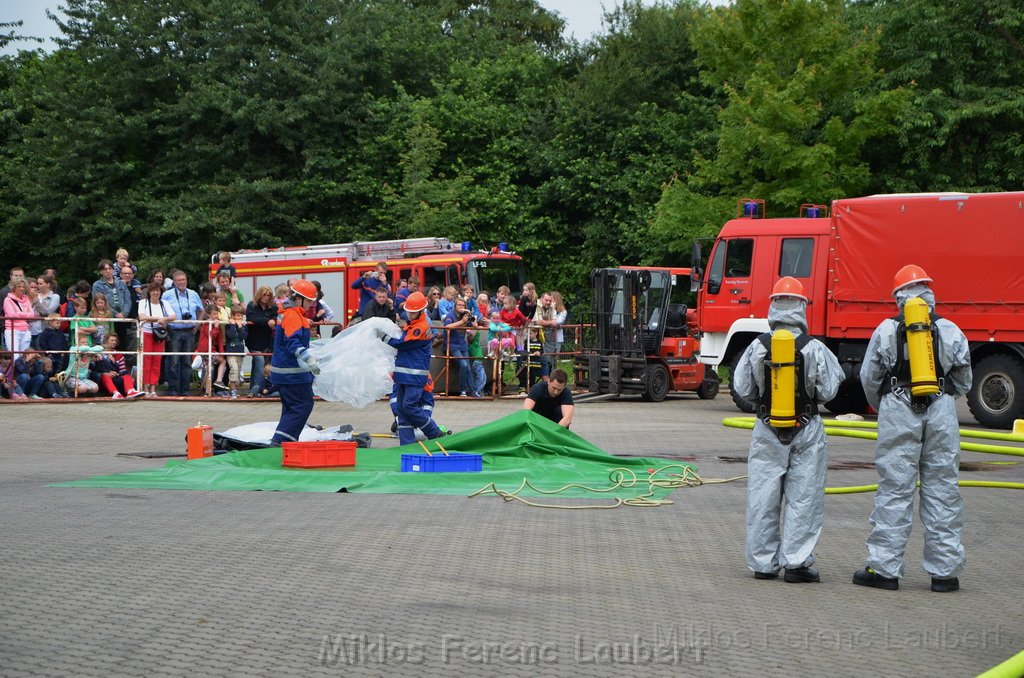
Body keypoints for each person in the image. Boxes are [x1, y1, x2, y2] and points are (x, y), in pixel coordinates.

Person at [854, 265, 972, 593]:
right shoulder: (949, 329)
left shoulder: (886, 329)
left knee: (895, 489)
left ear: (898, 297)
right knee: (942, 488)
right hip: (941, 409)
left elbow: (869, 377)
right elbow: (964, 378)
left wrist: (885, 406)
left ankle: (885, 570)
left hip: (898, 405)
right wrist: (944, 394)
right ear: (929, 294)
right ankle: (945, 573)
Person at [733, 276, 843, 583]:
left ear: (773, 306)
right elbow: (831, 389)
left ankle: (763, 564)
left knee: (763, 496)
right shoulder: (814, 348)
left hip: (767, 427)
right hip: (807, 427)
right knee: (804, 496)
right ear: (802, 308)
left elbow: (742, 387)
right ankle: (796, 564)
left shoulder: (757, 346)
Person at [386, 290, 444, 445]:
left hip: (414, 376)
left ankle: (434, 432)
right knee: (402, 411)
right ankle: (407, 445)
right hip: (404, 374)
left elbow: (404, 344)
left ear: (420, 311)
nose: (409, 315)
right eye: (408, 312)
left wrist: (384, 337)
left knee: (409, 406)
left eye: (412, 312)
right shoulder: (416, 323)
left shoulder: (421, 327)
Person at [270, 280, 321, 444]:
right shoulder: (292, 315)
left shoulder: (290, 313)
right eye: (310, 301)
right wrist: (309, 359)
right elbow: (293, 343)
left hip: (285, 372)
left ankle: (284, 444)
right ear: (299, 299)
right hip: (292, 374)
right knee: (302, 405)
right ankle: (279, 443)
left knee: (291, 408)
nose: (312, 305)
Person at [162, 269, 204, 397]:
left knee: (187, 361)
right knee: (174, 361)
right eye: (179, 280)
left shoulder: (193, 294)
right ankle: (173, 389)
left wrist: (198, 323)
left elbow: (201, 310)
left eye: (184, 280)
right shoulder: (167, 295)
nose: (182, 282)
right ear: (174, 282)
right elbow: (162, 311)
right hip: (174, 330)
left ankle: (185, 389)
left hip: (190, 331)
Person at [137, 282, 175, 397]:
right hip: (147, 333)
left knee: (157, 361)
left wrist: (164, 319)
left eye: (158, 290)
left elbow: (173, 316)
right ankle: (145, 387)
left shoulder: (165, 303)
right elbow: (142, 316)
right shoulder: (144, 302)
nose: (155, 292)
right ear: (149, 291)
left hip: (159, 335)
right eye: (153, 290)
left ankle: (153, 388)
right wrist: (159, 319)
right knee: (146, 360)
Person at [91, 259, 132, 349]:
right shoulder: (97, 285)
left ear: (113, 269)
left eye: (110, 268)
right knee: (108, 343)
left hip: (123, 318)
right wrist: (115, 314)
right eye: (105, 269)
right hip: (107, 318)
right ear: (101, 271)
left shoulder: (121, 283)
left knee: (122, 343)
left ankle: (121, 362)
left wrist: (124, 313)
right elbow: (99, 302)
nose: (108, 271)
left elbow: (128, 300)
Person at [245, 285, 277, 397]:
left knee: (258, 365)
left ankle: (253, 389)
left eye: (268, 295)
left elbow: (276, 316)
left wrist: (273, 320)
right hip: (253, 341)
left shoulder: (273, 307)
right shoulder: (251, 305)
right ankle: (257, 390)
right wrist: (268, 321)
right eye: (264, 295)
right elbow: (251, 318)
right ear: (259, 295)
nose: (266, 297)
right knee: (259, 363)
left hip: (267, 340)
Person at [443, 297, 477, 397]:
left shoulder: (465, 315)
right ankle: (463, 390)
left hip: (462, 345)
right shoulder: (450, 315)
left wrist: (470, 313)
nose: (461, 307)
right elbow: (447, 327)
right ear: (455, 306)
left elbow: (475, 325)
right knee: (464, 365)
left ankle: (473, 390)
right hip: (452, 345)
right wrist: (462, 322)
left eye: (463, 305)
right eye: (459, 305)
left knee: (468, 368)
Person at [93, 334, 143, 398]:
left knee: (127, 376)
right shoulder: (98, 353)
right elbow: (93, 369)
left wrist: (116, 374)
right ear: (105, 341)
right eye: (112, 340)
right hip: (102, 378)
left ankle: (130, 391)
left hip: (115, 377)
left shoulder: (119, 355)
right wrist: (105, 373)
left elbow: (123, 371)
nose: (114, 342)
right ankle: (115, 393)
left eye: (115, 341)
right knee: (105, 376)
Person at [533, 291, 567, 381]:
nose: (549, 302)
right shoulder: (538, 306)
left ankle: (552, 379)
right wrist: (551, 322)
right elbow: (540, 322)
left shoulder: (561, 311)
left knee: (552, 359)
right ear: (542, 299)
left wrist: (549, 322)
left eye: (551, 300)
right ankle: (546, 380)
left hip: (555, 338)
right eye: (547, 300)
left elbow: (557, 321)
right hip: (541, 337)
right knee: (544, 359)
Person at [3, 279, 34, 356]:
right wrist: (25, 314)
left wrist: (19, 314)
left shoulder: (26, 299)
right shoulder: (8, 300)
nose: (22, 288)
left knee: (24, 357)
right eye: (19, 286)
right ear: (13, 288)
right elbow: (11, 315)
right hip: (12, 330)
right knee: (15, 356)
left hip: (25, 330)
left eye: (23, 287)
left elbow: (32, 315)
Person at [224, 305, 248, 399]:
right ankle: (233, 390)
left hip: (240, 351)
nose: (240, 318)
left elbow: (243, 337)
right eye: (238, 315)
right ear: (233, 316)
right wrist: (233, 325)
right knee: (233, 368)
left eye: (241, 316)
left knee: (237, 370)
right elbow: (231, 336)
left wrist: (240, 327)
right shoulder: (228, 325)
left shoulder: (244, 326)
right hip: (231, 351)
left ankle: (235, 389)